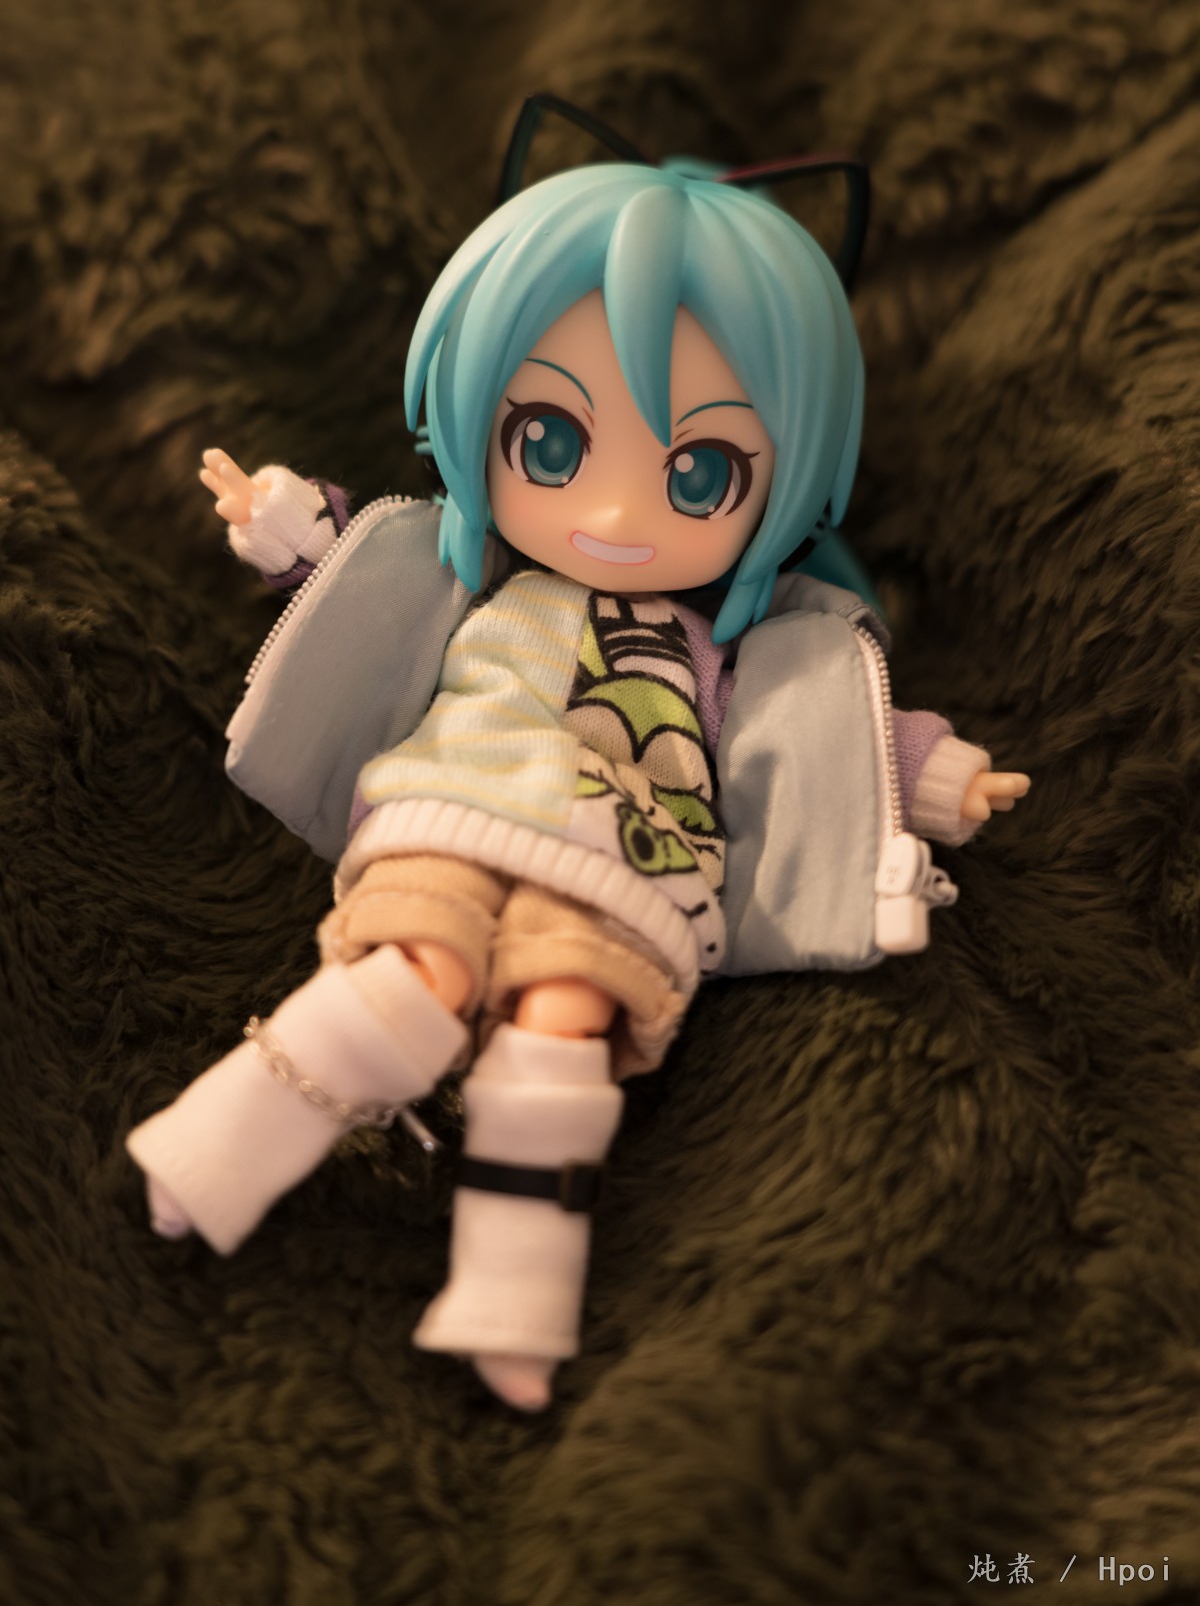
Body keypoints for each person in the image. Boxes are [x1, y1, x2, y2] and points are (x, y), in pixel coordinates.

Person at [127, 153, 1030, 1412]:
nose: (613, 511)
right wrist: (283, 522)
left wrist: (939, 774)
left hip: (629, 861)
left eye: (697, 474)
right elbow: (350, 564)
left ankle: (513, 1293)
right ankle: (220, 1148)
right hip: (452, 803)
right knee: (411, 971)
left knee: (562, 1027)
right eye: (547, 441)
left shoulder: (733, 652)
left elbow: (833, 724)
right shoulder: (483, 586)